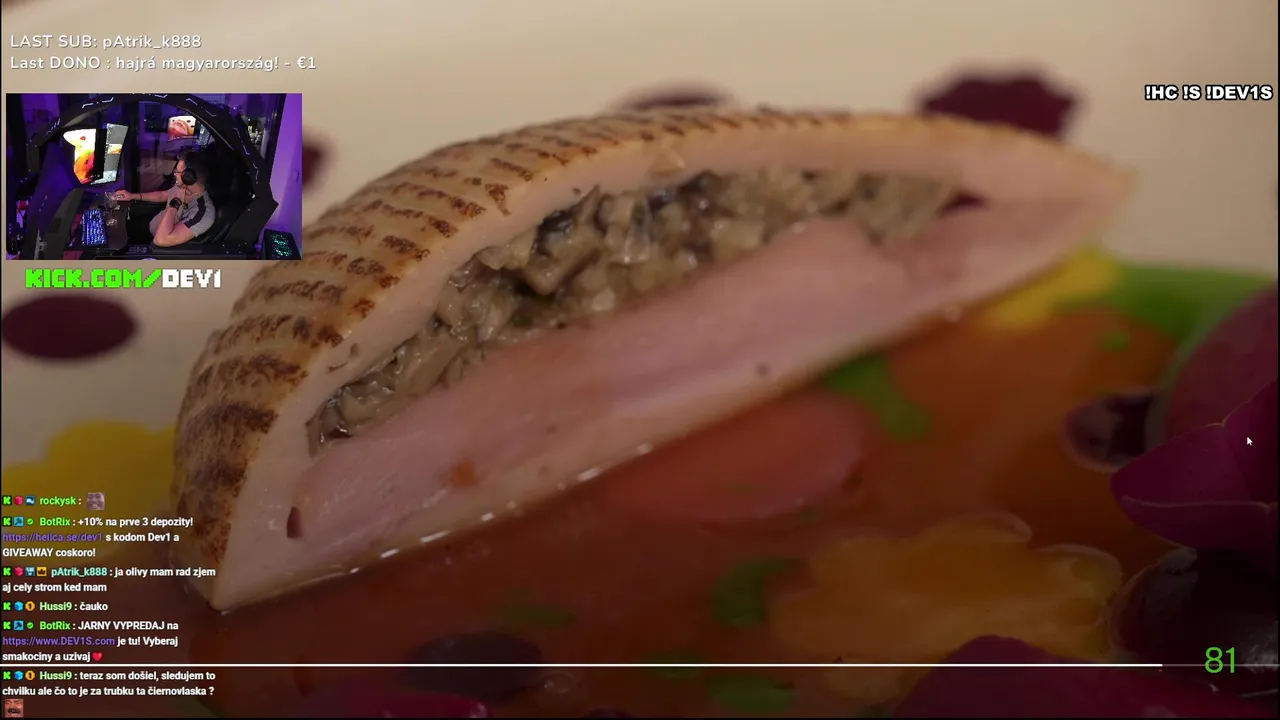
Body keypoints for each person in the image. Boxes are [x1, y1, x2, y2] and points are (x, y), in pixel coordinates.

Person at [112, 147, 217, 247]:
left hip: (152, 242)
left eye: (177, 171)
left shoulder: (203, 213)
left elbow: (161, 240)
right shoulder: (182, 187)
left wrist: (176, 202)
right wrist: (132, 196)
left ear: (188, 177)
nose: (174, 174)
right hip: (151, 225)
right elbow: (164, 195)